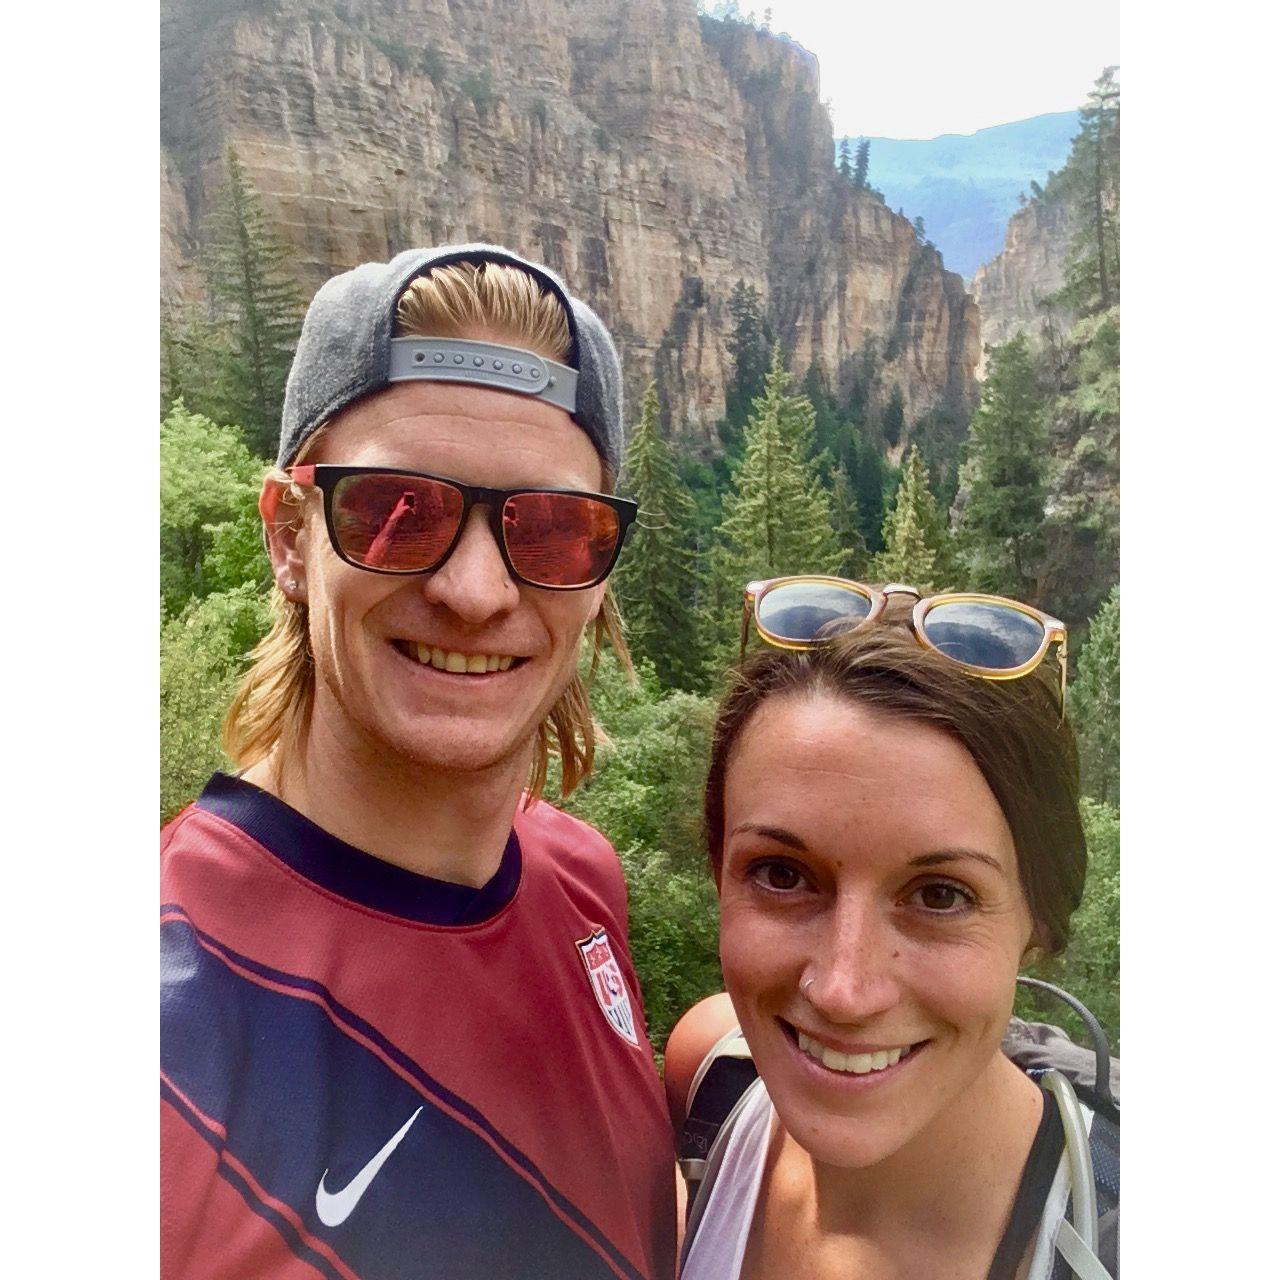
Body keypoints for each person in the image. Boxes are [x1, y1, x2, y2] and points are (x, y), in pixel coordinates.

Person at [161, 245, 676, 1280]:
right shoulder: (162, 1026)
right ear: (288, 537)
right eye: (395, 510)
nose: (476, 589)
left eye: (551, 527)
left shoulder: (579, 880)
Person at [666, 577, 1119, 1280]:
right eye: (783, 875)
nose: (845, 992)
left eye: (940, 895)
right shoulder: (712, 1078)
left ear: (1041, 916)